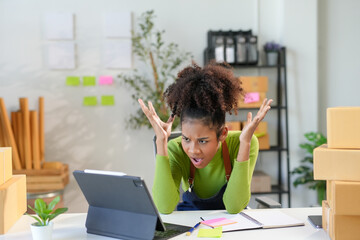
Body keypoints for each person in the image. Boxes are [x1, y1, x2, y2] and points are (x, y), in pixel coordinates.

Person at [138, 62, 272, 214]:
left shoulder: (241, 144)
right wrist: (161, 142)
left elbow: (234, 207)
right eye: (186, 139)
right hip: (191, 221)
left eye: (202, 141)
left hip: (231, 224)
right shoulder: (176, 149)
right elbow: (164, 207)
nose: (193, 150)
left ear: (223, 134)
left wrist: (245, 143)